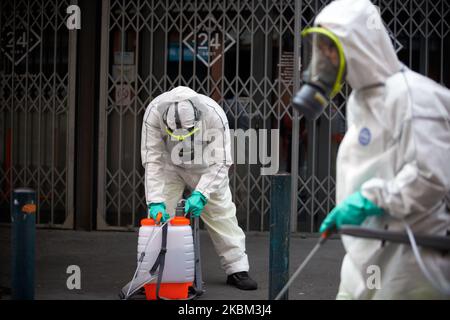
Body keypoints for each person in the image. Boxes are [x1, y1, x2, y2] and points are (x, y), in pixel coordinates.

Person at [293, 0, 450, 299]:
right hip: (364, 251)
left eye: (331, 46)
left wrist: (367, 200)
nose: (324, 56)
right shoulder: (360, 100)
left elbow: (429, 178)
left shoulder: (414, 98)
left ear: (360, 45)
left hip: (409, 260)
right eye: (320, 46)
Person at [141, 86, 258, 290]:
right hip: (171, 166)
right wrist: (155, 200)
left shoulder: (214, 114)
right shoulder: (154, 112)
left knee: (222, 216)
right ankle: (154, 274)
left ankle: (237, 268)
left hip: (207, 166)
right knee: (159, 219)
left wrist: (202, 194)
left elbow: (222, 160)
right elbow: (152, 158)